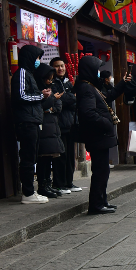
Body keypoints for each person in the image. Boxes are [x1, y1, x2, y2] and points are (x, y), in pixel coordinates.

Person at [75, 56, 132, 214]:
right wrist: (106, 123)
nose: (99, 72)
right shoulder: (85, 88)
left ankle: (102, 201)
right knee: (100, 170)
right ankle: (96, 205)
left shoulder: (92, 86)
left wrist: (122, 84)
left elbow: (108, 97)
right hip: (97, 135)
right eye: (97, 69)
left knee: (103, 170)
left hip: (100, 135)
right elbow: (88, 112)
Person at [11, 45, 49, 204]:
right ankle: (27, 193)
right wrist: (41, 95)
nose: (38, 61)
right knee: (27, 158)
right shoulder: (21, 73)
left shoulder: (29, 74)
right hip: (26, 122)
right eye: (37, 58)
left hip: (32, 121)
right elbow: (21, 96)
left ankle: (30, 192)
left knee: (32, 157)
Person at [33, 63, 65, 199]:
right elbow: (42, 106)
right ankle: (42, 186)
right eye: (48, 78)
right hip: (43, 127)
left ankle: (48, 184)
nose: (50, 80)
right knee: (43, 158)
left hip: (52, 126)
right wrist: (51, 100)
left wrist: (51, 106)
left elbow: (58, 105)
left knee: (50, 158)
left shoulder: (50, 88)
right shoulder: (37, 89)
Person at [49, 57, 81, 193]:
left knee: (70, 156)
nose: (60, 69)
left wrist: (69, 98)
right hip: (58, 124)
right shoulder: (51, 82)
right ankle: (58, 184)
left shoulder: (68, 81)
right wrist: (70, 97)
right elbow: (61, 100)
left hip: (70, 123)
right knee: (60, 156)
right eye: (57, 66)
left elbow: (73, 99)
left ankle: (69, 182)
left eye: (62, 66)